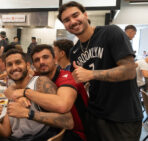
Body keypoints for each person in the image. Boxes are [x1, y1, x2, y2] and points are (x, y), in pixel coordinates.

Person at [58, 1, 142, 140]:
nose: (72, 21)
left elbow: (129, 70)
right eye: (66, 20)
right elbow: (81, 82)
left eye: (75, 15)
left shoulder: (110, 32)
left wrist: (91, 74)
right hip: (94, 115)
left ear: (85, 15)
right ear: (65, 26)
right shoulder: (74, 52)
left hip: (122, 117)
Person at [6, 45, 88, 141]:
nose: (41, 62)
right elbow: (9, 90)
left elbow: (62, 105)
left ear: (55, 59)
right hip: (54, 130)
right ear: (33, 65)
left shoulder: (66, 78)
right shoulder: (38, 76)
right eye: (37, 60)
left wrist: (25, 93)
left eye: (45, 57)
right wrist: (18, 96)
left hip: (76, 133)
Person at [0, 49, 74, 140]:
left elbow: (68, 121)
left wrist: (28, 113)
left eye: (18, 62)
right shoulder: (12, 92)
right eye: (9, 65)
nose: (14, 67)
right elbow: (5, 133)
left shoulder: (39, 82)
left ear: (28, 65)